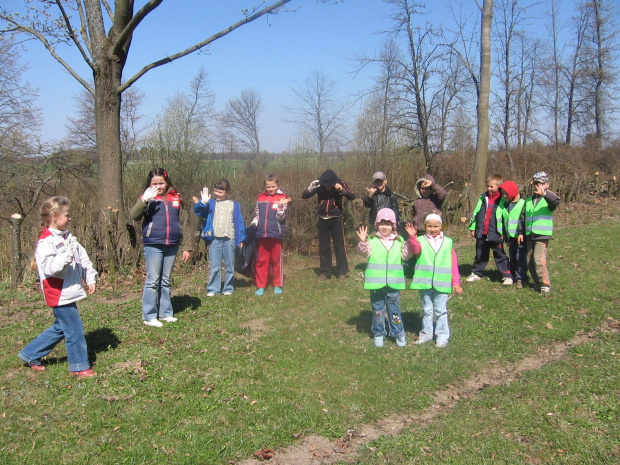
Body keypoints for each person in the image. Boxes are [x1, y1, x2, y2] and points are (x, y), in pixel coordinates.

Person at [18, 196, 98, 376]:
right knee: (74, 330)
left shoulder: (68, 236)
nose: (69, 218)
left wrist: (90, 277)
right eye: (67, 215)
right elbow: (51, 269)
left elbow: (83, 259)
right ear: (54, 217)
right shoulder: (46, 242)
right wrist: (66, 255)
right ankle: (79, 366)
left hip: (70, 291)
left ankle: (30, 354)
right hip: (58, 293)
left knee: (61, 327)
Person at [131, 168, 192, 327]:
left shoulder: (176, 197)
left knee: (165, 280)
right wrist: (143, 200)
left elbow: (184, 222)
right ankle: (149, 316)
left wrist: (187, 247)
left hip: (172, 244)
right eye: (154, 183)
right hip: (153, 244)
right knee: (153, 280)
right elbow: (134, 216)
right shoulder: (148, 198)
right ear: (149, 184)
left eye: (161, 183)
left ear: (167, 183)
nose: (158, 186)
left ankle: (165, 313)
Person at [356, 208, 413, 347]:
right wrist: (363, 241)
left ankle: (398, 333)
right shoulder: (372, 240)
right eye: (381, 223)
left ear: (393, 225)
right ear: (377, 225)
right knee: (378, 310)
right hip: (376, 284)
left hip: (394, 283)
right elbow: (363, 253)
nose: (384, 226)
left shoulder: (399, 241)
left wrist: (411, 240)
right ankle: (379, 334)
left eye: (388, 223)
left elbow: (407, 255)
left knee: (394, 311)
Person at [409, 211, 463, 348]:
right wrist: (412, 238)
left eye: (436, 226)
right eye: (429, 226)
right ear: (424, 226)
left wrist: (456, 283)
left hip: (442, 283)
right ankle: (426, 334)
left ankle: (442, 336)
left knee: (441, 310)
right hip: (424, 282)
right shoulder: (420, 240)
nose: (433, 229)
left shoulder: (448, 242)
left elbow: (453, 264)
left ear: (442, 226)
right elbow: (415, 251)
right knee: (427, 310)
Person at [194, 179, 246, 296]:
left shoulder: (235, 205)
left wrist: (241, 238)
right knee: (215, 266)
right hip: (215, 239)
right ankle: (213, 289)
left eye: (220, 192)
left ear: (227, 193)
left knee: (229, 266)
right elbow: (199, 212)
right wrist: (202, 203)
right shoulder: (211, 203)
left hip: (230, 238)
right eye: (215, 191)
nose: (217, 194)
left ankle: (228, 288)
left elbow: (239, 223)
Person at [302, 169, 356, 280]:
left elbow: (352, 196)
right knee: (324, 247)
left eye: (330, 185)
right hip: (322, 218)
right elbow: (304, 196)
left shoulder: (341, 183)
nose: (328, 187)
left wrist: (343, 191)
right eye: (326, 185)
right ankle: (325, 272)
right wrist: (310, 188)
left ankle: (342, 271)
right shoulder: (318, 184)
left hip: (336, 218)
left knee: (340, 246)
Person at [518, 171, 561, 296]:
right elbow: (522, 218)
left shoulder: (549, 198)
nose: (537, 186)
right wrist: (521, 232)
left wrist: (545, 194)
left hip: (542, 234)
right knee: (529, 260)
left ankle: (545, 285)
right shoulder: (529, 201)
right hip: (529, 234)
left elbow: (556, 202)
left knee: (538, 259)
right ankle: (537, 283)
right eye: (536, 183)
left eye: (541, 183)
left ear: (547, 184)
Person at [465, 174, 512, 285]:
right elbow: (476, 213)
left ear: (498, 186)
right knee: (480, 254)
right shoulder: (483, 197)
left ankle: (507, 275)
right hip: (482, 232)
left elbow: (506, 217)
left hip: (496, 233)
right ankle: (476, 273)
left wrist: (505, 232)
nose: (488, 188)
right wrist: (473, 227)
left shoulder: (503, 199)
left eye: (491, 186)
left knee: (500, 255)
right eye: (487, 186)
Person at [251, 174, 291, 295]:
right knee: (261, 260)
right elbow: (257, 214)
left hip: (276, 233)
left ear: (277, 185)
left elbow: (281, 217)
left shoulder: (283, 197)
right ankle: (261, 285)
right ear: (265, 187)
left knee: (276, 260)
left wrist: (280, 205)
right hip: (262, 233)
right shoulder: (260, 198)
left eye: (273, 186)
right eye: (268, 187)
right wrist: (254, 222)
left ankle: (277, 284)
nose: (271, 189)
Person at [498, 180, 527, 288]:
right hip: (511, 238)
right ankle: (513, 274)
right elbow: (505, 221)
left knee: (520, 258)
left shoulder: (522, 204)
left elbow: (523, 220)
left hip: (520, 237)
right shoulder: (505, 205)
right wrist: (505, 235)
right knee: (513, 257)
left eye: (506, 193)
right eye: (503, 193)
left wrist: (521, 233)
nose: (504, 196)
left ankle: (521, 278)